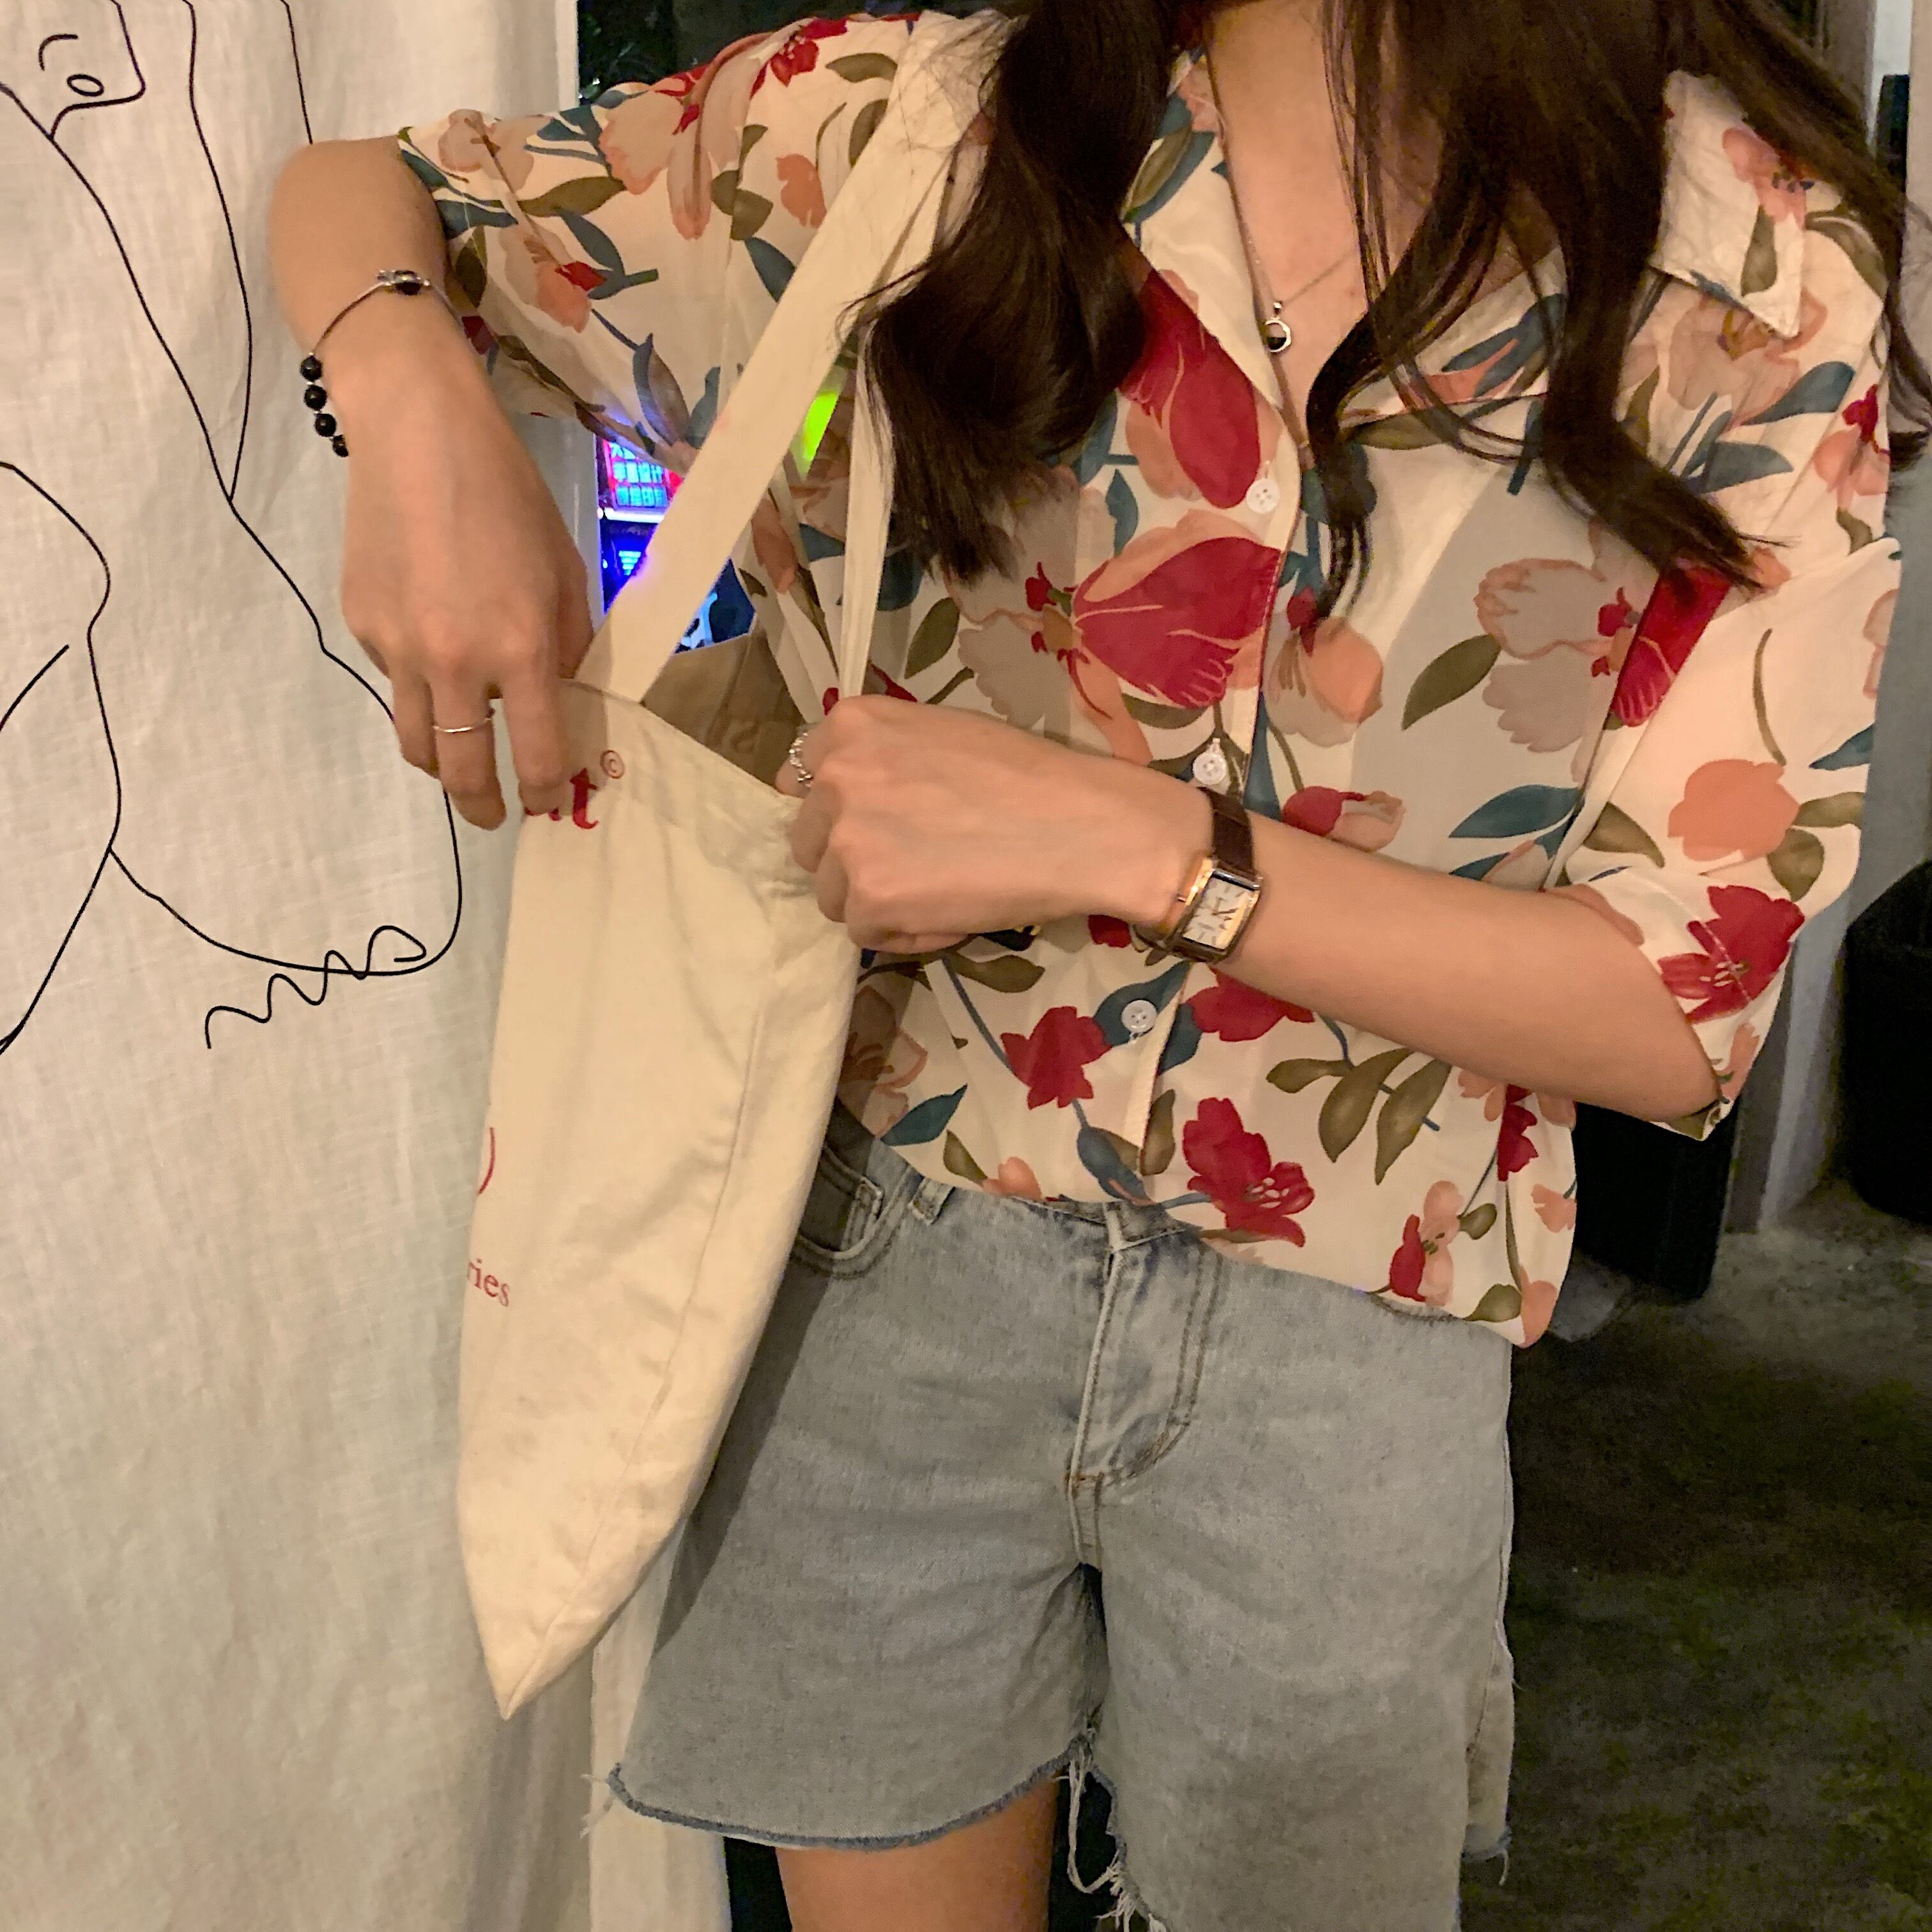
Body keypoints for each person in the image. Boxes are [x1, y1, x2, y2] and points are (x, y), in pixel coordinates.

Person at [269, 3, 1919, 1925]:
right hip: (878, 1252)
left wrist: (1135, 846)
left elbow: (1672, 1015)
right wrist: (410, 397)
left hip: (1353, 1323)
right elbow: (376, 196)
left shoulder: (1745, 261)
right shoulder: (908, 126)